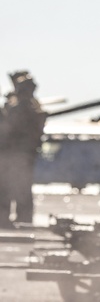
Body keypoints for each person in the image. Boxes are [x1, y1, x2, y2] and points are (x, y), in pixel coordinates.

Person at [0, 71, 46, 226]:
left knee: (20, 189)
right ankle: (6, 219)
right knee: (8, 189)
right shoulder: (16, 105)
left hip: (21, 155)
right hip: (11, 154)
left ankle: (22, 219)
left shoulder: (28, 107)